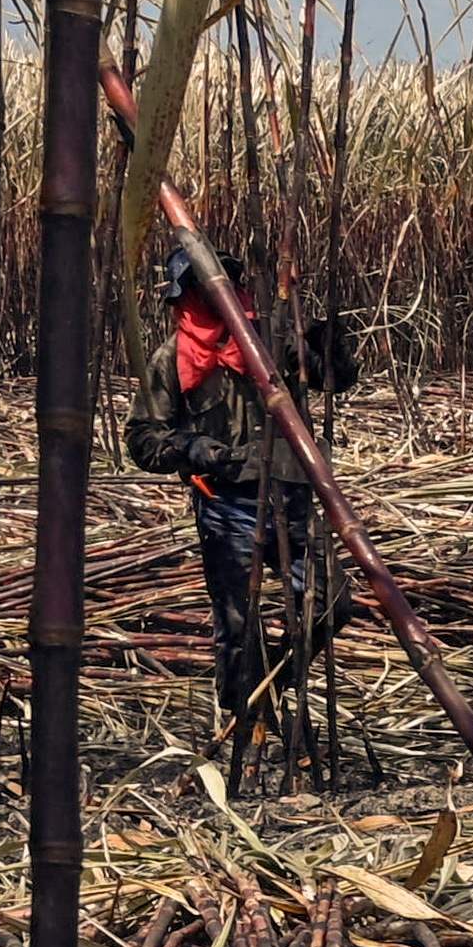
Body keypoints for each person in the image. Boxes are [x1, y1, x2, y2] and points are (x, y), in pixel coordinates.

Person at [122, 246, 361, 773]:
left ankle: (274, 681)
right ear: (184, 298)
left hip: (293, 499)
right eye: (202, 290)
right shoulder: (172, 359)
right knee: (237, 622)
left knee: (333, 602)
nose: (215, 297)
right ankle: (244, 720)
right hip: (227, 505)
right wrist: (191, 449)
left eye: (223, 286)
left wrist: (331, 343)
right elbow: (142, 439)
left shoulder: (274, 341)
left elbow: (333, 379)